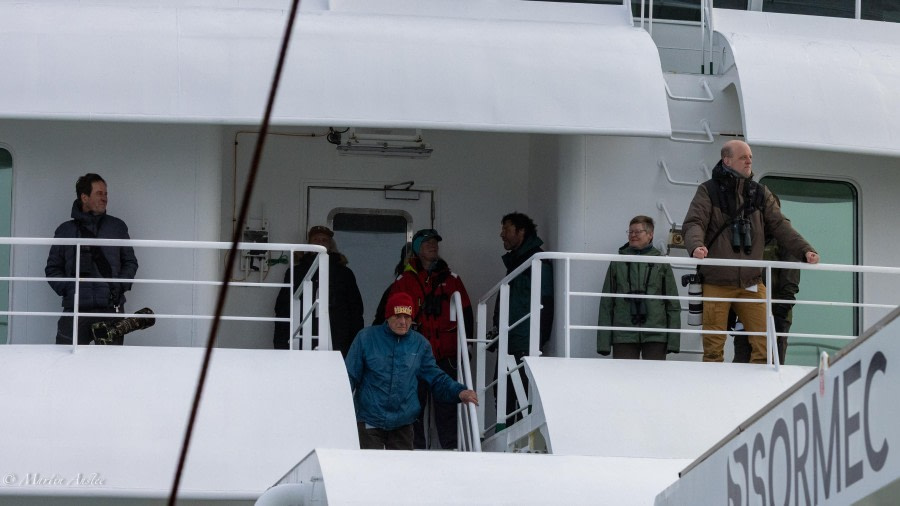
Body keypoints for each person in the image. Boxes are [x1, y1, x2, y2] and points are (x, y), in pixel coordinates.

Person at [682, 140, 819, 364]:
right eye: (743, 157)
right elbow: (694, 222)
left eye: (750, 157)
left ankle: (757, 395)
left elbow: (781, 226)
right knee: (713, 349)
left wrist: (805, 250)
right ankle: (710, 394)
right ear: (727, 160)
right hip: (717, 281)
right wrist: (696, 245)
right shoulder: (708, 191)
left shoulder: (759, 193)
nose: (749, 161)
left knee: (765, 345)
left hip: (751, 283)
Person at [345, 292, 478, 451]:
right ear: (387, 316)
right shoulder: (365, 338)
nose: (403, 322)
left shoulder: (420, 344)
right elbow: (348, 378)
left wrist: (459, 392)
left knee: (401, 474)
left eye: (407, 317)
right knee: (370, 473)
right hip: (369, 421)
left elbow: (436, 378)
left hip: (403, 424)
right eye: (398, 316)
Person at [388, 228, 473, 449]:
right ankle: (414, 450)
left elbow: (467, 314)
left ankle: (451, 448)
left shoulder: (452, 279)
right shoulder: (404, 281)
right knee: (413, 405)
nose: (433, 246)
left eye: (435, 243)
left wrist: (466, 349)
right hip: (413, 354)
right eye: (427, 243)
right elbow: (393, 316)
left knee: (447, 403)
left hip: (447, 354)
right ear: (417, 249)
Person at [46, 173, 139, 345]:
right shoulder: (65, 231)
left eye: (106, 194)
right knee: (66, 364)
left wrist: (119, 286)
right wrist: (69, 289)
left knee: (109, 367)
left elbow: (130, 262)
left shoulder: (117, 227)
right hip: (75, 310)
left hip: (110, 309)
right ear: (84, 197)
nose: (105, 198)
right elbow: (52, 269)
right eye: (99, 193)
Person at [494, 212, 554, 426]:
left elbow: (545, 302)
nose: (502, 234)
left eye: (506, 229)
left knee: (518, 396)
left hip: (524, 340)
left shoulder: (537, 261)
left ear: (521, 232)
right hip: (510, 339)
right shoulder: (519, 261)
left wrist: (538, 340)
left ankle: (519, 441)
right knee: (504, 394)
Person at [596, 216, 681, 359]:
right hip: (623, 333)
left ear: (650, 234)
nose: (632, 235)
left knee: (654, 378)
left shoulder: (662, 262)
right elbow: (607, 302)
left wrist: (673, 342)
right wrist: (603, 343)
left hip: (656, 333)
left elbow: (672, 303)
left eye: (637, 232)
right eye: (630, 232)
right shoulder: (618, 262)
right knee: (623, 378)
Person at [273, 225, 364, 357]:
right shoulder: (295, 272)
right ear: (309, 244)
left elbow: (355, 311)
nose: (320, 243)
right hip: (301, 337)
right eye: (316, 239)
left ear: (330, 245)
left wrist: (355, 345)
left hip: (337, 338)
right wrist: (281, 344)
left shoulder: (344, 274)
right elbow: (283, 308)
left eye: (324, 240)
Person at [732, 234, 800, 364]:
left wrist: (782, 312)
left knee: (773, 362)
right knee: (741, 359)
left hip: (776, 311)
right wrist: (732, 310)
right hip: (747, 309)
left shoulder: (785, 240)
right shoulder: (748, 235)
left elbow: (790, 282)